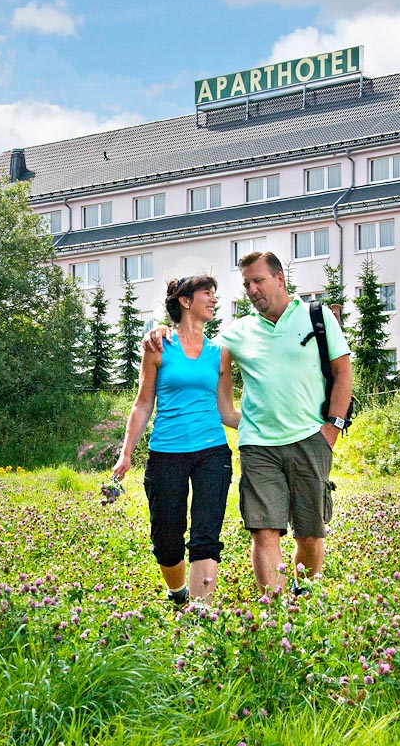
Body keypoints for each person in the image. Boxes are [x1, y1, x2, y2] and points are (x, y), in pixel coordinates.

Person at [145, 251, 352, 596]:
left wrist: (332, 427)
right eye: (246, 284)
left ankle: (302, 592)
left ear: (280, 279)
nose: (252, 289)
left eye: (258, 281)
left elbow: (343, 372)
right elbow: (195, 344)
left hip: (311, 438)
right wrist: (164, 329)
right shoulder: (235, 334)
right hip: (258, 445)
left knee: (310, 534)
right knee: (263, 529)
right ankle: (275, 608)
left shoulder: (317, 316)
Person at [112, 275, 240, 606]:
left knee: (206, 536)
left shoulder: (219, 353)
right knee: (167, 541)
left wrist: (273, 423)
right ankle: (178, 592)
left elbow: (227, 412)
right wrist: (125, 454)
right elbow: (142, 404)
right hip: (166, 453)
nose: (214, 299)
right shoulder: (158, 347)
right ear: (185, 301)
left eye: (215, 293)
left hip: (212, 453)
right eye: (207, 293)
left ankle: (200, 614)